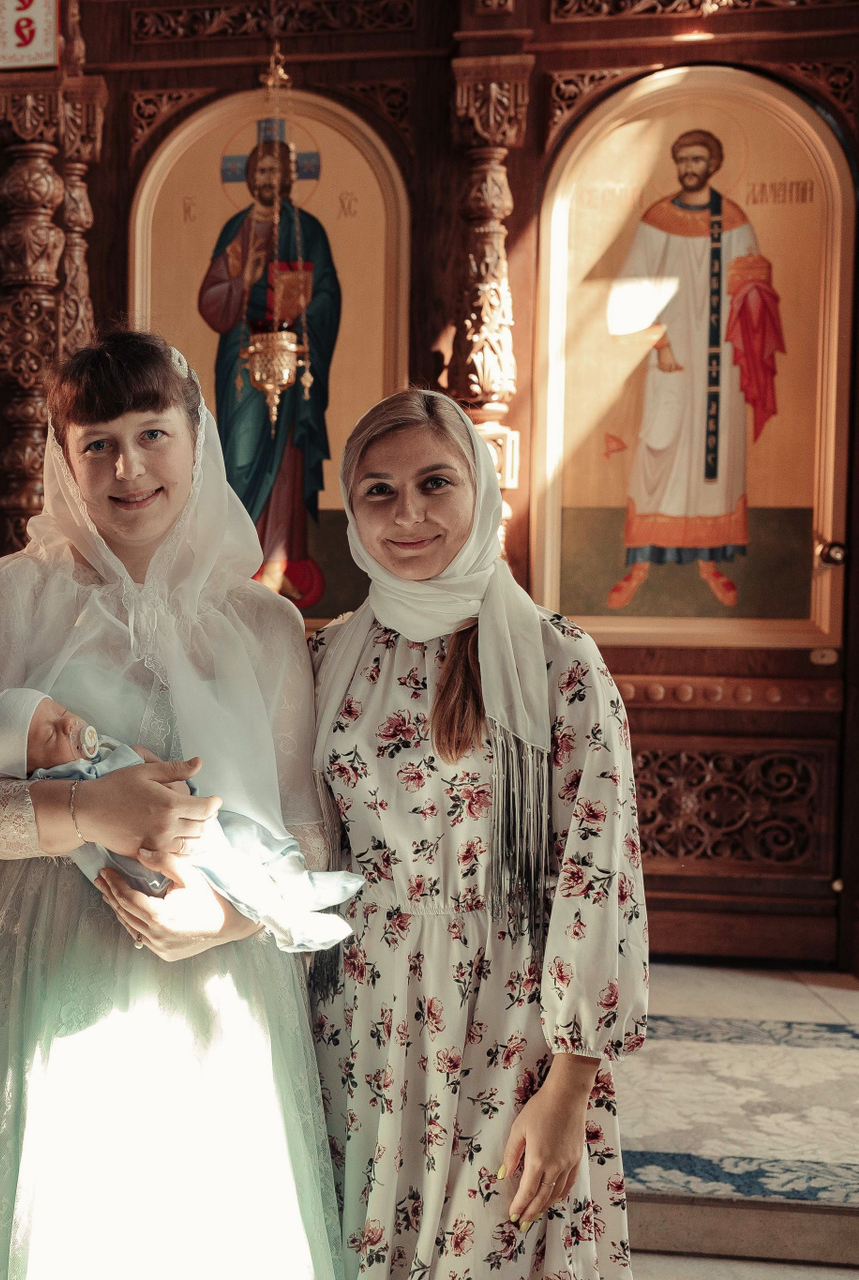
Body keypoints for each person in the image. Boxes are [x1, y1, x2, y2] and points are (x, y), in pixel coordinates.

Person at [0, 330, 343, 1277]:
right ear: (64, 460)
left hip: (222, 968)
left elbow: (303, 825)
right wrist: (86, 812)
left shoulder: (264, 623)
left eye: (151, 435)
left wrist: (227, 921)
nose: (127, 468)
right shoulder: (10, 599)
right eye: (98, 444)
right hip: (41, 953)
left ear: (197, 440)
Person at [309, 389, 649, 1279]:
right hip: (360, 1012)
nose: (408, 515)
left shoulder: (559, 661)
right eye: (379, 492)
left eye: (435, 483)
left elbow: (598, 876)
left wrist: (568, 1089)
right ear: (350, 508)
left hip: (511, 1021)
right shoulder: (331, 656)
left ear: (483, 489)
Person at [0, 686, 362, 949]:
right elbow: (90, 837)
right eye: (49, 735)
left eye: (60, 711)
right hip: (159, 858)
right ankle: (286, 922)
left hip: (192, 821)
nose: (69, 724)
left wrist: (151, 765)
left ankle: (297, 881)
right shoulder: (63, 782)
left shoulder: (96, 752)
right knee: (229, 871)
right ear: (31, 771)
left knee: (250, 833)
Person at [603, 129, 780, 610]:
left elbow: (755, 290)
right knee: (657, 453)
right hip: (670, 359)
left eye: (698, 159)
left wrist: (752, 289)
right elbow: (628, 294)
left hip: (722, 367)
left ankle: (709, 563)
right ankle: (639, 565)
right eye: (683, 159)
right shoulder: (656, 220)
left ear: (714, 164)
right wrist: (659, 341)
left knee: (714, 464)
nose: (689, 167)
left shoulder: (734, 221)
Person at [198, 136, 341, 610]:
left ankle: (278, 566)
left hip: (293, 353)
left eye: (276, 171)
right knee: (241, 455)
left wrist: (303, 311)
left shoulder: (308, 229)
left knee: (287, 464)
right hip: (243, 358)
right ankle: (239, 568)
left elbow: (328, 293)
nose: (267, 179)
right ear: (248, 177)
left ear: (289, 177)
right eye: (260, 170)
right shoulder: (237, 229)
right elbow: (213, 300)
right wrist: (244, 278)